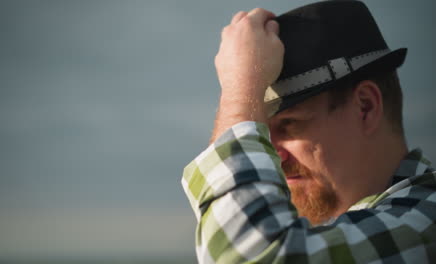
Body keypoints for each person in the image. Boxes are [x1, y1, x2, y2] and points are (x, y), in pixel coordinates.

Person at [181, 0, 436, 263]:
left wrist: (241, 90)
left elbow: (247, 255)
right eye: (262, 134)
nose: (273, 156)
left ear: (366, 107)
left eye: (288, 124)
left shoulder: (424, 220)